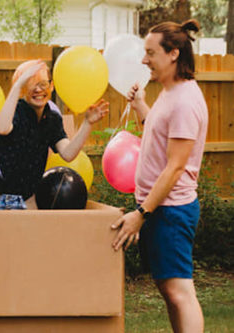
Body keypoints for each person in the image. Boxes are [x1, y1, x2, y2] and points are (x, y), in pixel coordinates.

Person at [111, 19, 207, 333]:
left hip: (171, 210)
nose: (143, 60)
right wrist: (140, 106)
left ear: (173, 54)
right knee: (169, 290)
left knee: (180, 292)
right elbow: (158, 133)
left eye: (151, 53)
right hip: (160, 209)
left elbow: (175, 166)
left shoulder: (184, 102)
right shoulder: (170, 93)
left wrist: (141, 213)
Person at [0, 59, 108, 202]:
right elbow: (2, 128)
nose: (38, 90)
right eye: (31, 85)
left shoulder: (52, 118)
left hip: (23, 199)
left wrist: (87, 123)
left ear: (51, 86)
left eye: (43, 84)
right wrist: (19, 84)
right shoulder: (15, 110)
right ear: (23, 89)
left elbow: (68, 153)